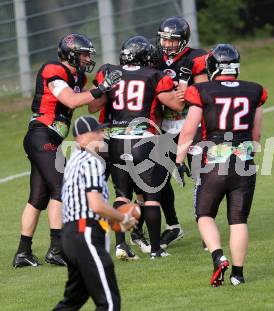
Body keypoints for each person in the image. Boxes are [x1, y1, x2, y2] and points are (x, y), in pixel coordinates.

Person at [12, 33, 121, 268]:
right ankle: (56, 249)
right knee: (61, 187)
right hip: (41, 134)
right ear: (70, 54)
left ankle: (23, 252)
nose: (86, 58)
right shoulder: (53, 69)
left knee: (38, 198)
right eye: (83, 54)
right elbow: (70, 101)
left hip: (50, 138)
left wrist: (108, 90)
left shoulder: (77, 76)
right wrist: (101, 87)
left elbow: (90, 106)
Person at [175, 44, 267, 286]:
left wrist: (179, 159)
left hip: (214, 162)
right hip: (244, 162)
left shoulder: (201, 90)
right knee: (238, 220)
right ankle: (238, 274)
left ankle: (218, 256)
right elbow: (256, 134)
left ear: (213, 67)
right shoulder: (254, 90)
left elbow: (188, 131)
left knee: (204, 215)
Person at [89, 35, 185, 260]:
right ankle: (155, 249)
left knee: (122, 196)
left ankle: (121, 245)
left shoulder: (109, 72)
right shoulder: (154, 75)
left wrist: (106, 89)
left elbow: (93, 107)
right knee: (151, 196)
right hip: (143, 140)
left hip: (115, 141)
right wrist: (181, 91)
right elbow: (175, 105)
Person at [53, 115, 137, 311]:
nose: (102, 135)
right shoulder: (90, 161)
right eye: (97, 132)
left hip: (72, 235)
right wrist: (123, 218)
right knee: (109, 302)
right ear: (82, 137)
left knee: (72, 301)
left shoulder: (74, 159)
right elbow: (96, 205)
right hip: (85, 233)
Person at [151, 16, 209, 250]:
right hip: (164, 125)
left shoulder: (196, 57)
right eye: (164, 38)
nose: (166, 44)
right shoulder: (153, 58)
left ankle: (206, 226)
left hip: (191, 124)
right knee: (157, 179)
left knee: (199, 177)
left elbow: (202, 91)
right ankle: (173, 226)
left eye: (172, 40)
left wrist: (183, 89)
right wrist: (179, 88)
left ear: (183, 40)